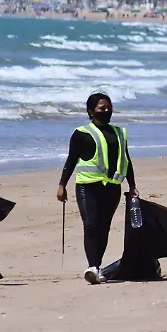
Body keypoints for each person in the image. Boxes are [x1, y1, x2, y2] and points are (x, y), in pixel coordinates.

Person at [56, 93, 139, 285]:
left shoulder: (119, 133)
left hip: (112, 188)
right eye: (102, 108)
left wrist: (132, 184)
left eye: (109, 107)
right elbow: (71, 160)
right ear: (91, 111)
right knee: (91, 225)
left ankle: (97, 267)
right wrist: (62, 185)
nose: (107, 111)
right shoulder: (81, 133)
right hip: (87, 186)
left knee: (104, 228)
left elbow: (126, 161)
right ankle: (92, 266)